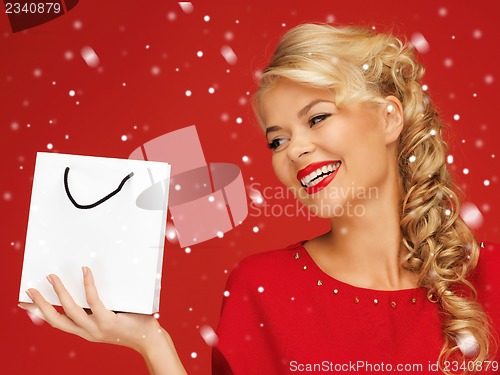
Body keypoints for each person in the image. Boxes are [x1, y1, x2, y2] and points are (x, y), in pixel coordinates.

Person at [18, 23, 499, 374]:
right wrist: (151, 342)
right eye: (276, 139)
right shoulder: (264, 287)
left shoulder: (489, 279)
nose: (296, 150)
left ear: (390, 119)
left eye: (316, 118)